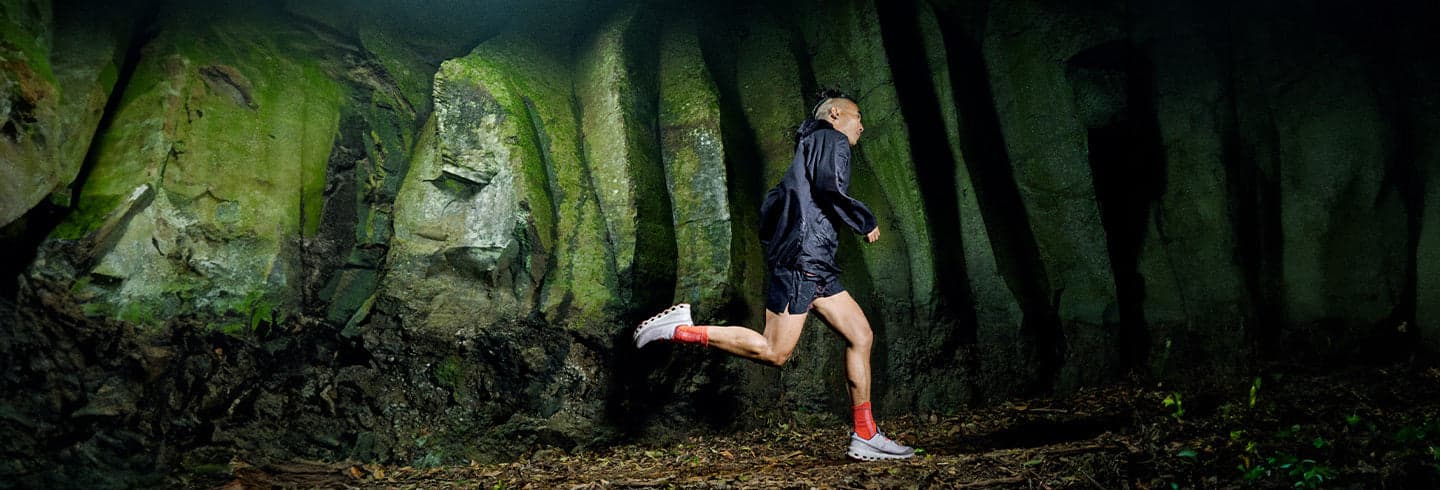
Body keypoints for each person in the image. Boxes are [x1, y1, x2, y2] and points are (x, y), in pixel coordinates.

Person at [633, 91, 914, 461]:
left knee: (861, 335)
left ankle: (865, 434)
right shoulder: (832, 139)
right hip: (806, 261)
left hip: (816, 264)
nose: (861, 125)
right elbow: (831, 187)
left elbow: (773, 205)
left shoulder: (807, 149)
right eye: (856, 116)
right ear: (835, 114)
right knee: (774, 351)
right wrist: (864, 220)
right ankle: (680, 328)